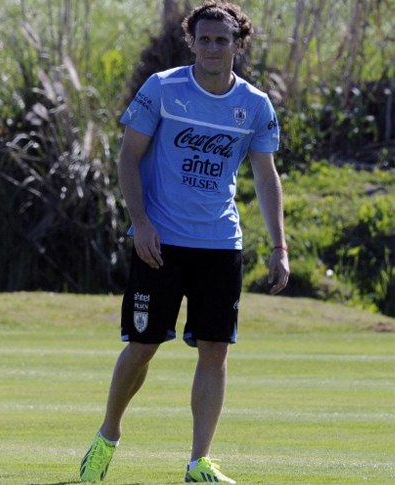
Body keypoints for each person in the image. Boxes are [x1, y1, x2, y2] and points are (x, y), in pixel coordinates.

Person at [79, 2, 289, 483]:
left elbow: (265, 174)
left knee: (215, 349)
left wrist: (280, 247)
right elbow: (129, 157)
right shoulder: (163, 89)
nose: (214, 47)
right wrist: (142, 223)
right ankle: (108, 434)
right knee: (142, 346)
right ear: (191, 41)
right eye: (206, 39)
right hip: (161, 242)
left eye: (224, 40)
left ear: (239, 45)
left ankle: (199, 462)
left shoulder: (255, 105)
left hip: (220, 243)